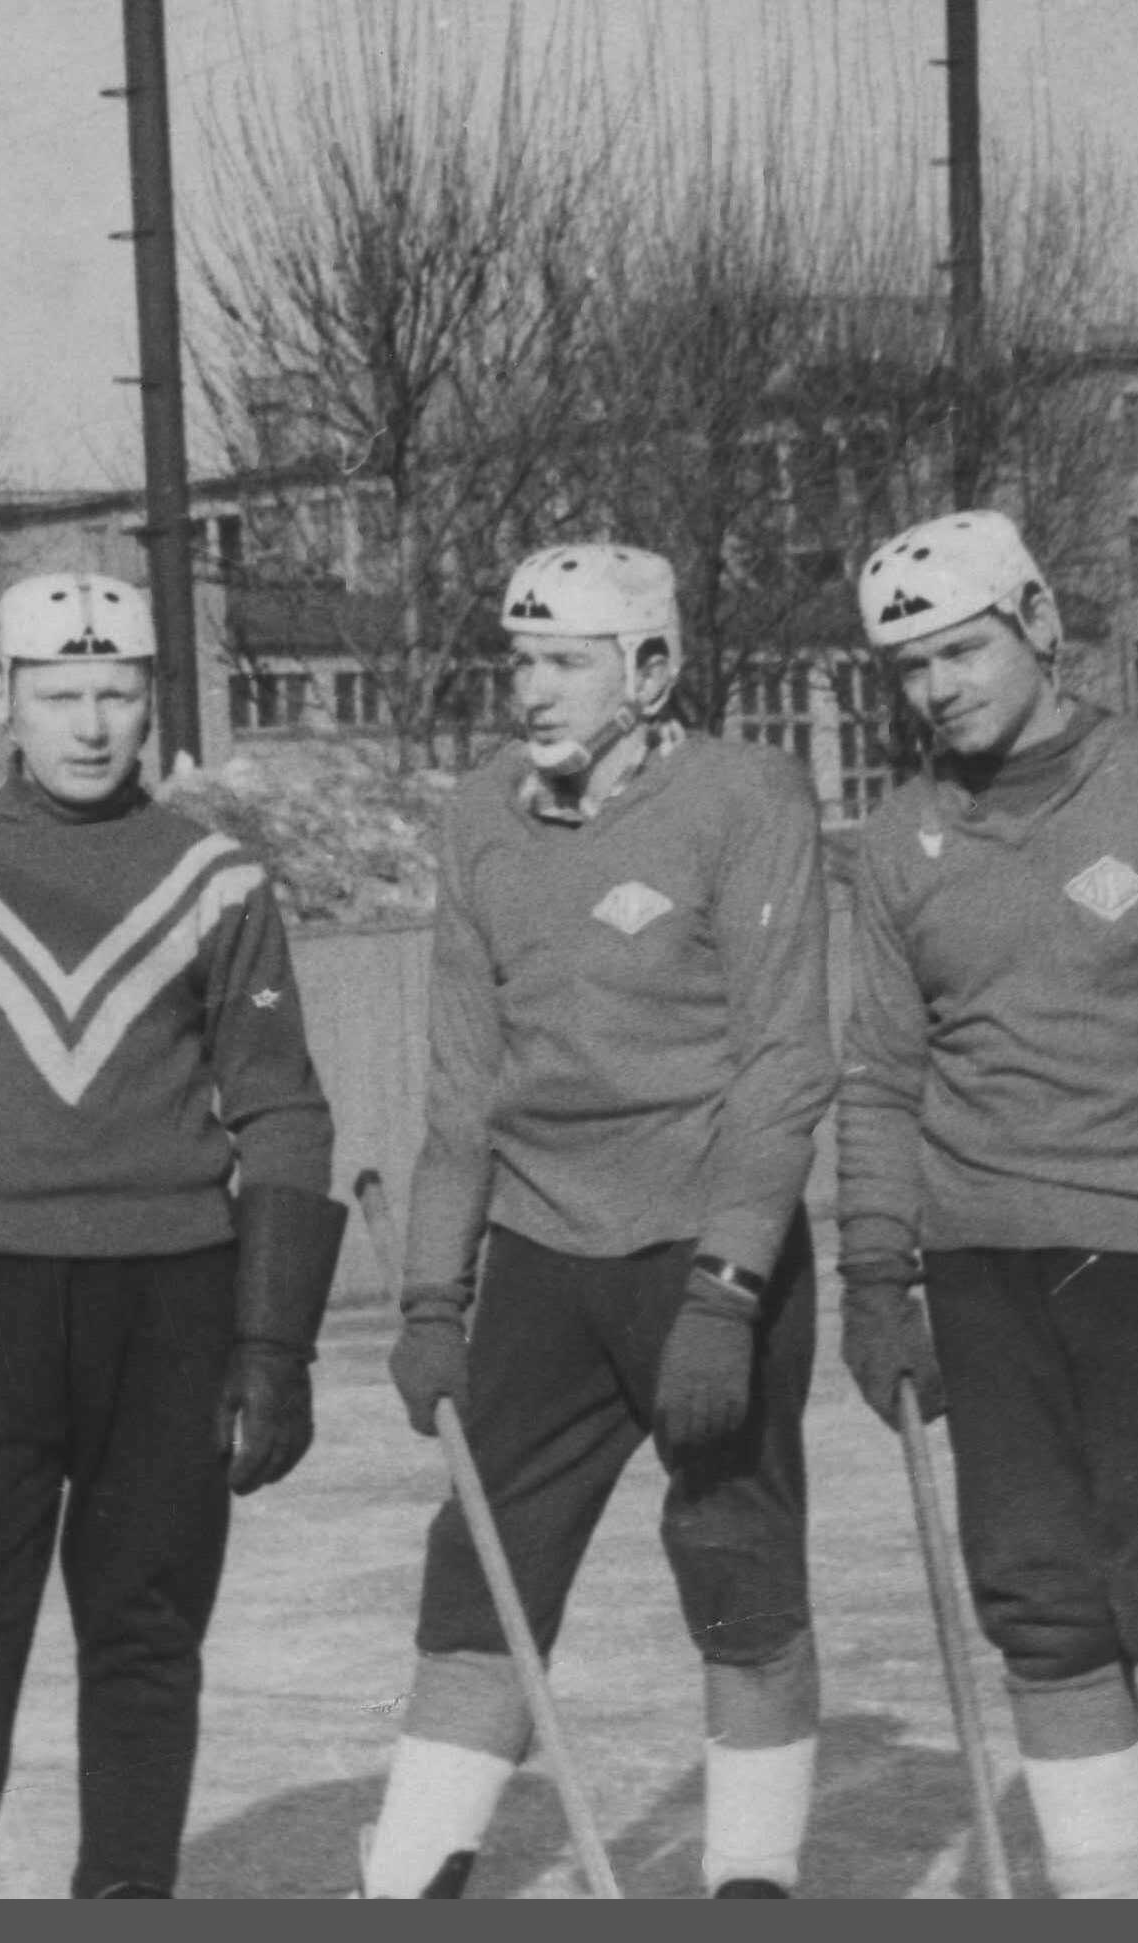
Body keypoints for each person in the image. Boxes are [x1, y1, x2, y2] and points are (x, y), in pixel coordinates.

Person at [0, 570, 344, 1899]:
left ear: (152, 700)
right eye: (58, 695)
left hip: (172, 1305)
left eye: (117, 693)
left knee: (147, 1637)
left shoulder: (217, 881)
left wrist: (274, 1345)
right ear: (4, 701)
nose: (91, 725)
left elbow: (281, 1111)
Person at [835, 510, 1138, 1899]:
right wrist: (875, 1272)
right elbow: (881, 1074)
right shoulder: (900, 840)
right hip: (983, 1268)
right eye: (911, 667)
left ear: (1040, 625)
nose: (939, 689)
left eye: (965, 650)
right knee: (1042, 1606)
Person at [360, 543, 836, 1899]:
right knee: (480, 1573)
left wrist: (728, 1289)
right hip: (543, 1257)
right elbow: (463, 1086)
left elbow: (785, 1062)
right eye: (520, 660)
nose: (532, 689)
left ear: (652, 671)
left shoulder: (747, 797)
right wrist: (435, 1298)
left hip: (705, 1255)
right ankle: (409, 1886)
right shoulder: (481, 815)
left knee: (738, 1569)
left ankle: (750, 1885)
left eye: (566, 662)